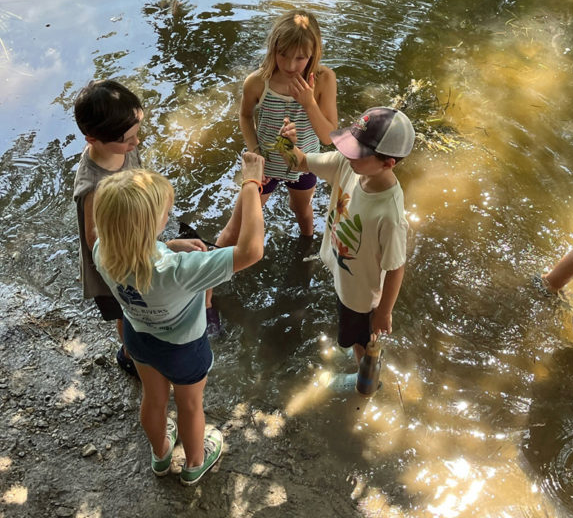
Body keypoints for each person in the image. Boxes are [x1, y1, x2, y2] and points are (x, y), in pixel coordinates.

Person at [91, 155, 265, 484]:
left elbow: (139, 253)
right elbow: (251, 251)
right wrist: (252, 184)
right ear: (147, 228)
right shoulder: (177, 271)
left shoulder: (103, 250)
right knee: (189, 405)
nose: (169, 215)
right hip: (184, 349)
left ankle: (160, 456)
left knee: (154, 400)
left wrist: (168, 245)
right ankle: (195, 464)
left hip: (138, 338)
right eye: (165, 214)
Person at [73, 80, 207, 378]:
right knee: (126, 310)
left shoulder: (122, 146)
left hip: (140, 245)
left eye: (137, 133)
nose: (136, 143)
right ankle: (130, 353)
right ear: (92, 140)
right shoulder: (93, 186)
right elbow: (99, 244)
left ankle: (141, 346)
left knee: (140, 307)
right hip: (117, 268)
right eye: (127, 139)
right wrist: (161, 248)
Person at [280, 107, 415, 365]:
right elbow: (300, 162)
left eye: (358, 152)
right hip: (346, 279)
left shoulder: (390, 214)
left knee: (363, 342)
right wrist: (285, 143)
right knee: (352, 334)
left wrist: (384, 313)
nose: (347, 154)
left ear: (388, 163)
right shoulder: (348, 165)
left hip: (362, 299)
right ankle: (358, 358)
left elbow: (396, 267)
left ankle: (365, 384)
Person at [215, 8, 337, 248]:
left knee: (301, 210)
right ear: (273, 48)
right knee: (238, 222)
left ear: (313, 53)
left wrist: (309, 102)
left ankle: (306, 248)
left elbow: (328, 137)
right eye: (283, 55)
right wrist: (255, 151)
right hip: (266, 163)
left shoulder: (324, 79)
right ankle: (209, 272)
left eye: (300, 58)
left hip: (304, 162)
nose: (290, 65)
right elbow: (245, 115)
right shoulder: (258, 81)